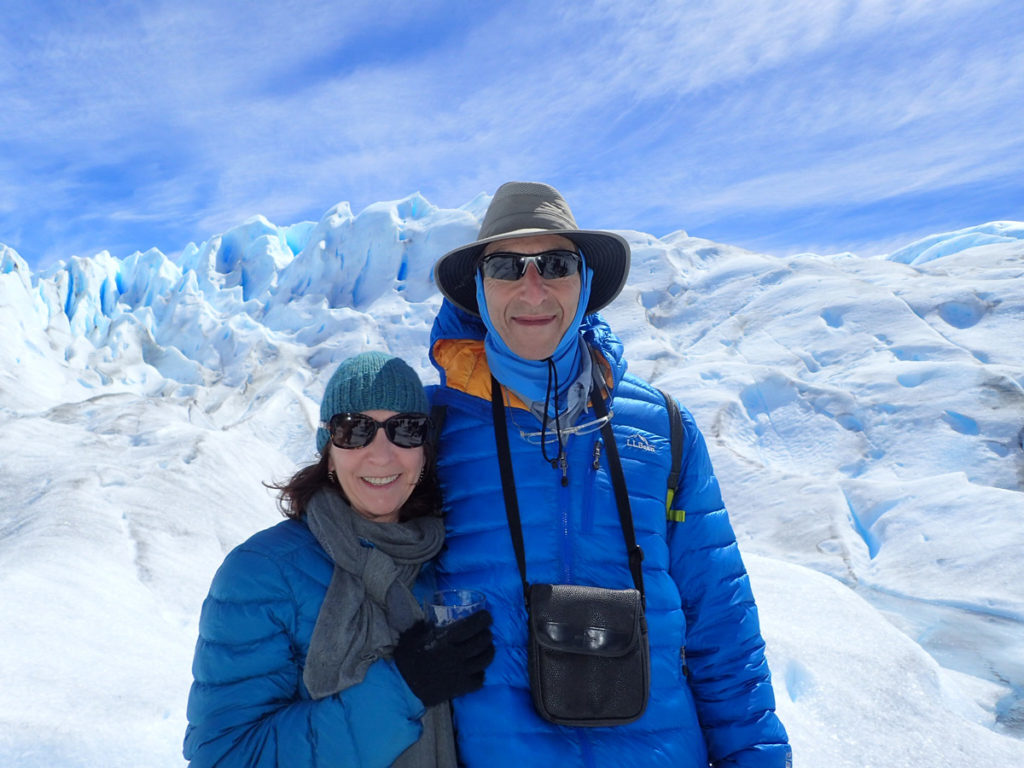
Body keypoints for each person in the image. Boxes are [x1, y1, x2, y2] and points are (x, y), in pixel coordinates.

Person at [426, 182, 791, 766]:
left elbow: (722, 626)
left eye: (556, 263)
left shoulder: (664, 428)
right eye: (505, 266)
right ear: (478, 286)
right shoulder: (426, 432)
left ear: (586, 283)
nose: (533, 286)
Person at [183, 351, 495, 768]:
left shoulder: (446, 560)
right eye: (355, 430)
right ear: (328, 450)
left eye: (405, 429)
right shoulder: (261, 573)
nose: (381, 455)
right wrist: (403, 688)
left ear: (424, 451)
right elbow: (226, 756)